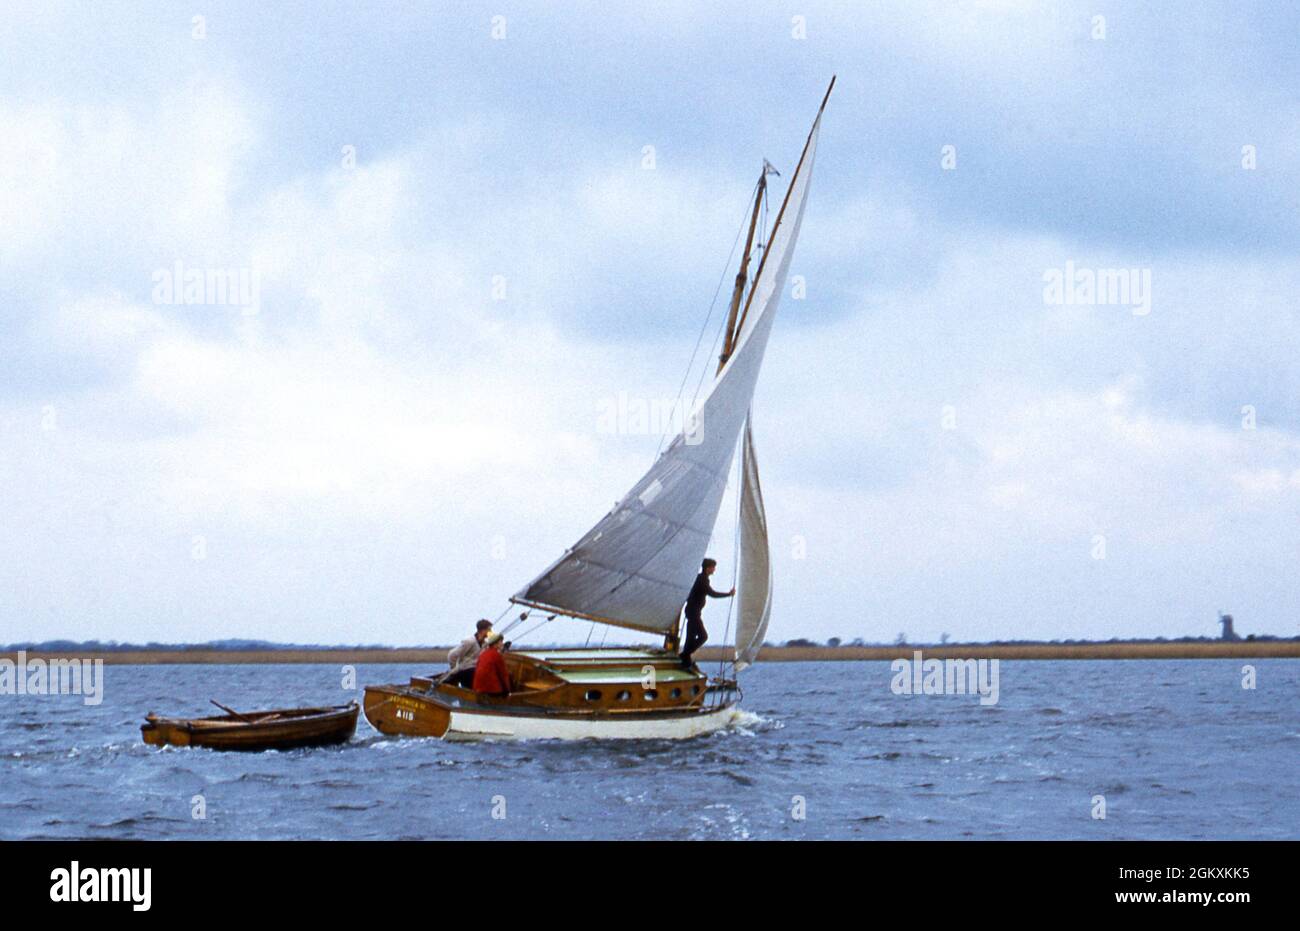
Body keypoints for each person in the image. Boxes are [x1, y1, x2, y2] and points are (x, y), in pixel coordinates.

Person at [680, 557, 734, 667]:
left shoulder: (701, 578)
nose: (714, 570)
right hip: (693, 612)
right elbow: (712, 594)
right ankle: (684, 655)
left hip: (693, 612)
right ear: (708, 568)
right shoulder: (702, 580)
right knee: (703, 636)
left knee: (690, 638)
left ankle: (685, 660)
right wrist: (728, 594)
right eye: (713, 567)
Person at [445, 619, 493, 688]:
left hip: (476, 672)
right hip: (466, 672)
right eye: (489, 630)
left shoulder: (485, 644)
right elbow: (451, 655)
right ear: (482, 631)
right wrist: (455, 669)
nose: (491, 632)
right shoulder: (469, 641)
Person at [473, 631, 512, 696]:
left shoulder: (483, 653)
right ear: (495, 644)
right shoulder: (497, 655)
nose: (502, 644)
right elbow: (503, 674)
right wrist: (508, 692)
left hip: (477, 688)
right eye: (501, 642)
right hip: (491, 689)